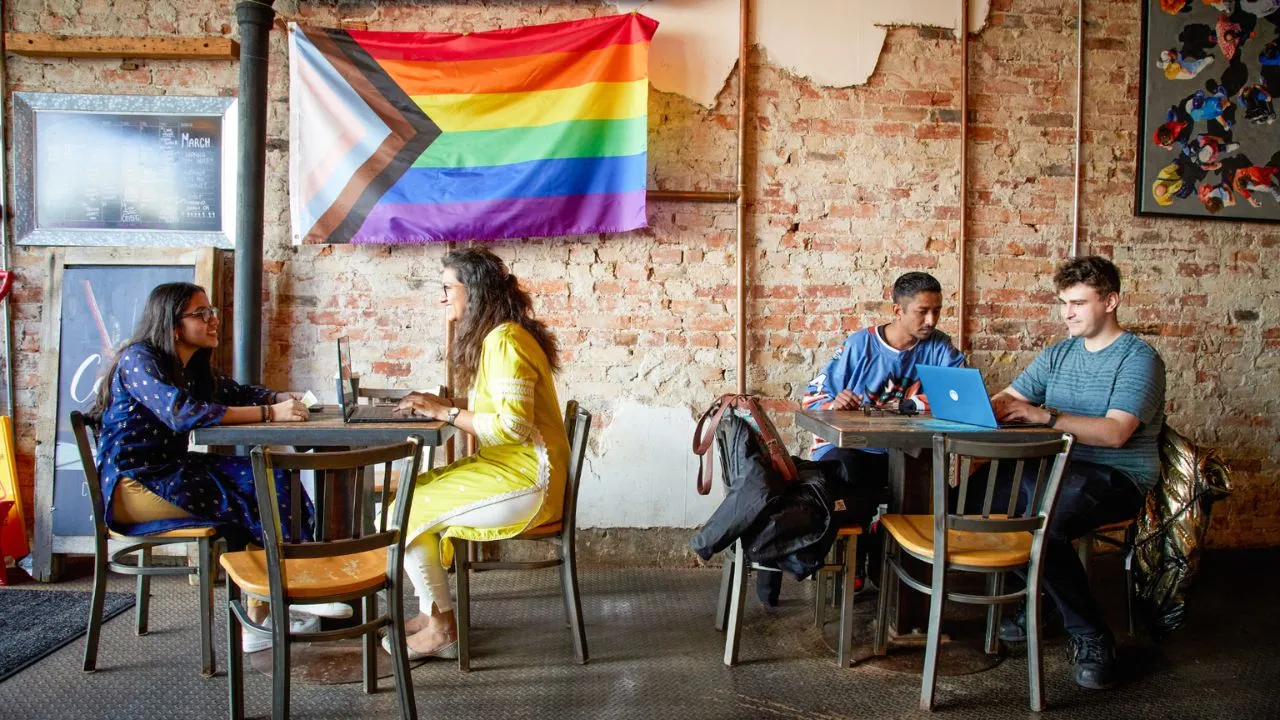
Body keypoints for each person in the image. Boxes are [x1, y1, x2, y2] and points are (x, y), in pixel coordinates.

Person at [88, 282, 341, 650]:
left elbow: (234, 392)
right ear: (173, 324)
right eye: (201, 314)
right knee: (260, 486)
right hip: (135, 486)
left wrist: (277, 396)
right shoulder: (139, 359)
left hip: (172, 471)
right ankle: (295, 590)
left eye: (213, 313)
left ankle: (266, 612)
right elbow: (182, 413)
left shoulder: (190, 365)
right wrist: (270, 413)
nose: (213, 321)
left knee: (271, 477)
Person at [988, 256, 1166, 690]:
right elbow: (1010, 397)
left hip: (1116, 476)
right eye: (1064, 303)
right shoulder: (1059, 353)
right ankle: (1045, 595)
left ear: (1111, 301)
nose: (1068, 313)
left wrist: (1042, 417)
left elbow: (1114, 433)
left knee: (1040, 527)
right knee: (970, 506)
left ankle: (1091, 637)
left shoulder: (1139, 359)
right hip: (1057, 469)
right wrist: (985, 407)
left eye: (1079, 303)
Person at [384, 249, 570, 660]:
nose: (442, 298)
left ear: (475, 291)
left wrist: (445, 411)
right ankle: (433, 612)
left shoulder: (505, 341)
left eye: (447, 288)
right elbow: (501, 407)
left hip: (529, 481)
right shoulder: (503, 336)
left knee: (404, 508)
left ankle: (443, 630)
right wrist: (442, 403)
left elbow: (512, 426)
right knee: (416, 493)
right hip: (515, 469)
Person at [793, 272, 965, 600]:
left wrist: (906, 404)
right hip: (847, 451)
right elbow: (811, 399)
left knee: (923, 484)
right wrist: (835, 402)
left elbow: (961, 398)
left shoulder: (940, 347)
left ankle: (897, 570)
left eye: (937, 311)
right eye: (922, 311)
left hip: (900, 452)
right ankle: (859, 554)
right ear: (897, 310)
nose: (931, 320)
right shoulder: (861, 345)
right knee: (848, 475)